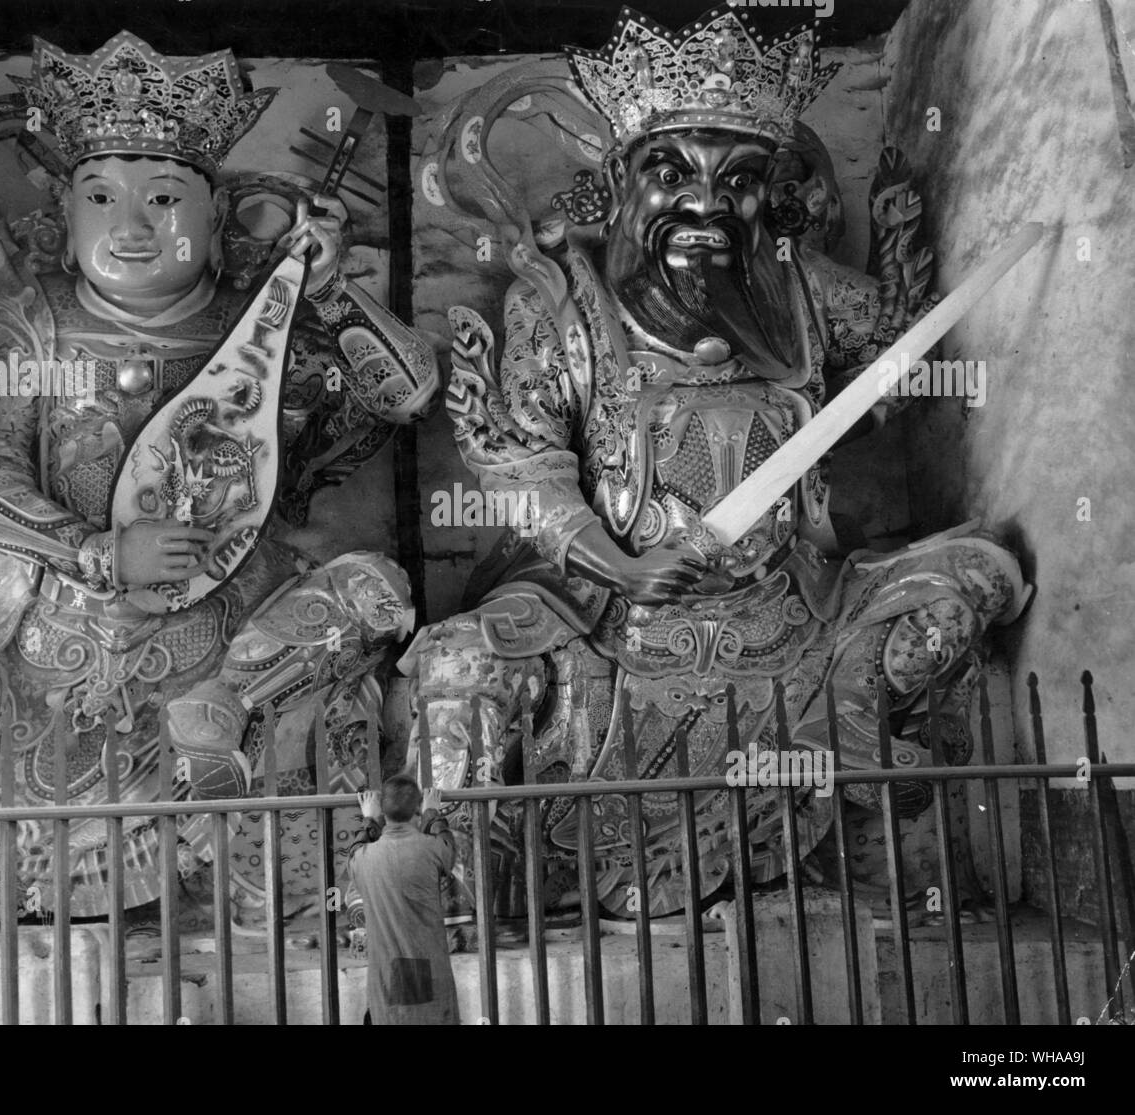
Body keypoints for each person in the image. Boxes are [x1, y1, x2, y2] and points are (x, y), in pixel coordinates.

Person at [402, 5, 1027, 918]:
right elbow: (524, 466)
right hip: (608, 620)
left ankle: (863, 790)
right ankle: (467, 888)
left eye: (736, 179)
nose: (702, 203)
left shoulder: (799, 286)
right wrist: (620, 564)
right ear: (619, 182)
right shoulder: (560, 303)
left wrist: (895, 244)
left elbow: (896, 359)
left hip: (796, 619)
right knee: (459, 664)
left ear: (769, 197)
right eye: (669, 172)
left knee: (976, 574)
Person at [0, 31, 436, 953]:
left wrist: (332, 295)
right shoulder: (28, 332)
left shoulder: (260, 332)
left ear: (213, 206)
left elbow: (407, 395)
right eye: (101, 196)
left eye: (164, 199)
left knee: (370, 595)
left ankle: (237, 793)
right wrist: (92, 551)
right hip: (51, 636)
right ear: (65, 211)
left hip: (235, 636)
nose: (133, 223)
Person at [349, 779, 460, 1025]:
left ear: (382, 810)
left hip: (386, 972)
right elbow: (449, 848)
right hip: (428, 965)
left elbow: (355, 849)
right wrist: (433, 814)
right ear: (417, 808)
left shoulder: (364, 858)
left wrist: (369, 820)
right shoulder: (431, 849)